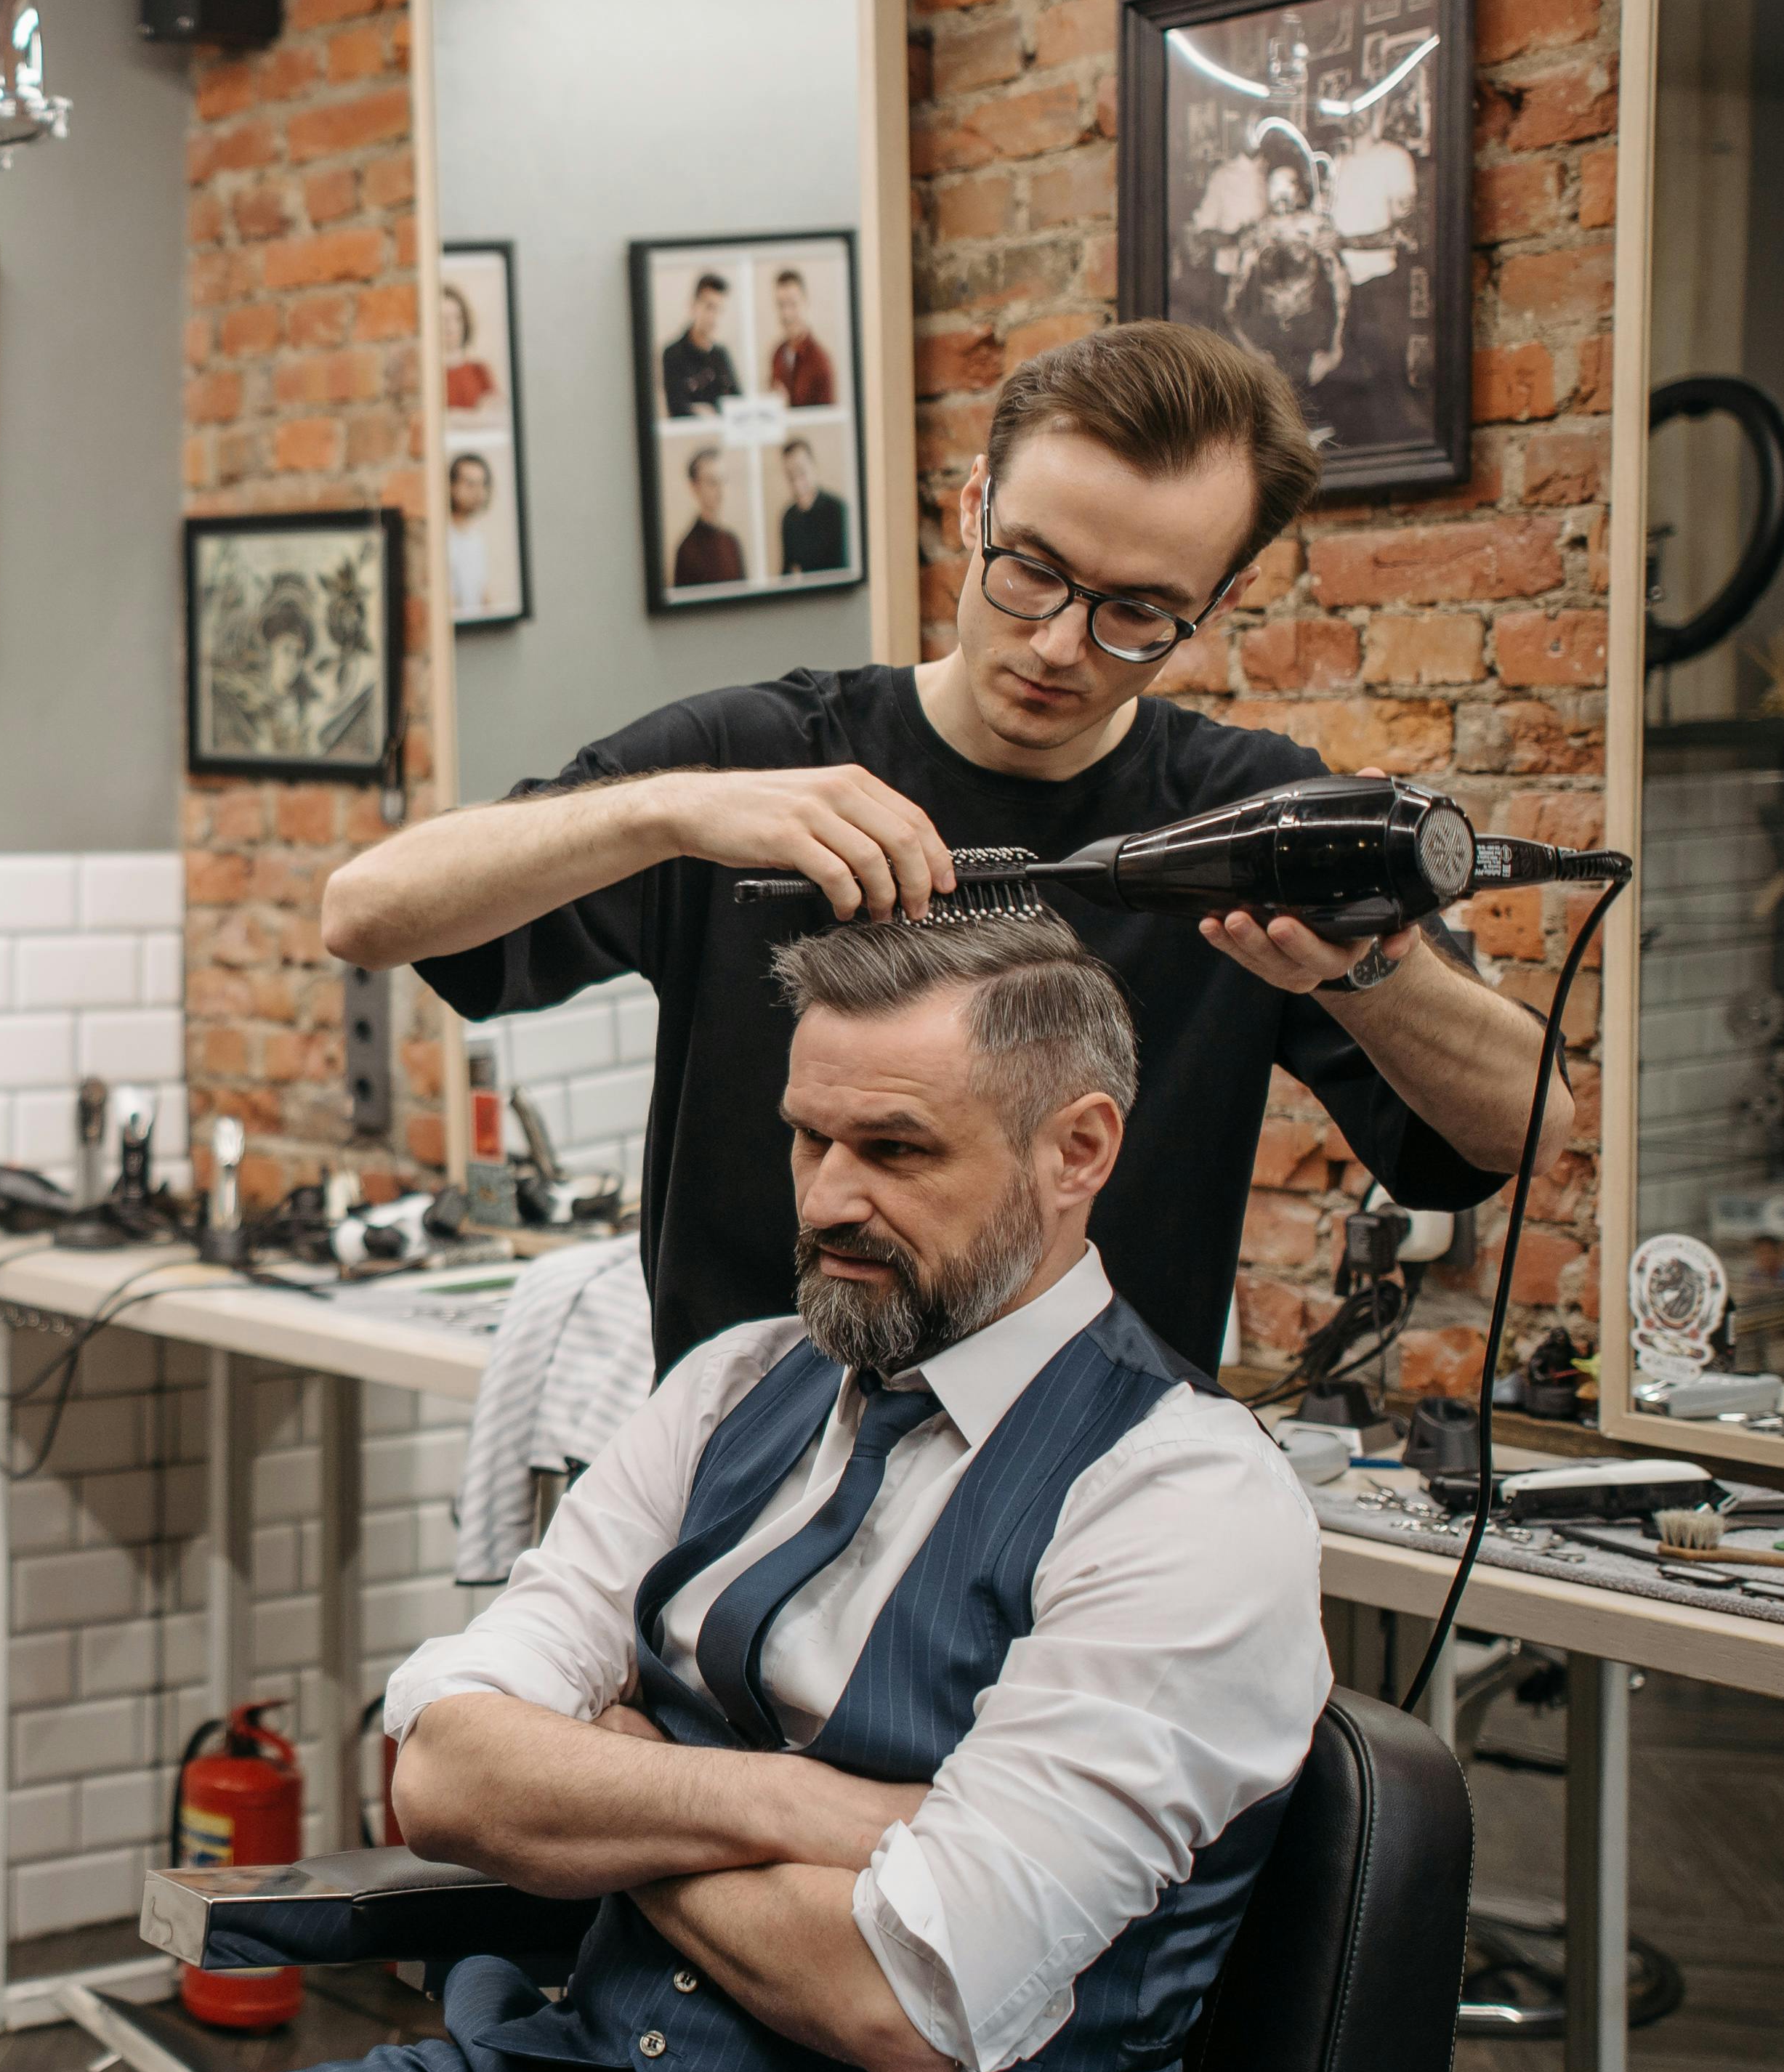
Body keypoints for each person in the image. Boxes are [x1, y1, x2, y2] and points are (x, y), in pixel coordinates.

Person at [0, 914, 1328, 2072]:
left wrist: (605, 1790)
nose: (831, 1197)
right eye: (807, 1137)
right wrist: (794, 1810)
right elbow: (442, 1772)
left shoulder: (1179, 1505)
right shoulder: (736, 1387)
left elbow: (898, 1996)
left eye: (894, 1149)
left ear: (1076, 1150)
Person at [326, 316, 1563, 1371]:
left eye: (1135, 611)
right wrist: (665, 811)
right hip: (752, 1486)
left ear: (1219, 600)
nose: (1058, 645)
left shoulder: (1246, 818)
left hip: (1082, 1514)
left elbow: (1522, 1126)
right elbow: (366, 912)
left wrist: (1363, 971)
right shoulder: (754, 759)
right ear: (972, 507)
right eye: (1030, 569)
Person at [659, 272, 738, 416]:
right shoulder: (673, 354)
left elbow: (738, 403)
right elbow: (677, 407)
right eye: (710, 307)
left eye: (719, 310)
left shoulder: (721, 354)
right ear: (694, 306)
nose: (714, 317)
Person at [771, 436, 850, 577]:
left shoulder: (837, 509)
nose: (796, 481)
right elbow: (787, 570)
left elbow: (844, 566)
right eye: (790, 475)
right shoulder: (789, 517)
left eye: (801, 471)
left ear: (813, 466)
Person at [669, 448, 746, 588]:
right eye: (712, 482)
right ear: (695, 487)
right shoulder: (687, 550)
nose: (720, 490)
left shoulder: (732, 541)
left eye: (722, 480)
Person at [768, 266, 836, 407]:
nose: (786, 314)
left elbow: (827, 423)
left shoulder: (820, 361)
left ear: (805, 303)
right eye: (781, 305)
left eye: (793, 304)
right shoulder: (777, 354)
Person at [446, 450, 503, 618]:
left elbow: (482, 594)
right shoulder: (444, 540)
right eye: (470, 484)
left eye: (482, 484)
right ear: (452, 486)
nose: (479, 492)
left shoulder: (476, 540)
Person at [440, 270, 499, 413]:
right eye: (444, 319)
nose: (451, 327)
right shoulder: (427, 375)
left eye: (457, 318)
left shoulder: (479, 371)